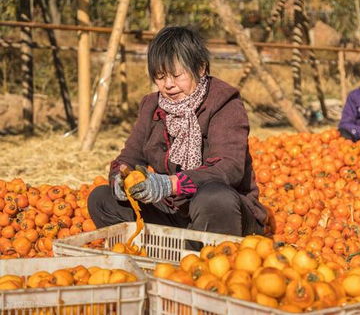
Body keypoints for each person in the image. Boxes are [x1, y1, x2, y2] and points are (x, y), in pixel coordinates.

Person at [87, 26, 266, 237]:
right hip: (173, 213)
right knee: (102, 199)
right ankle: (149, 256)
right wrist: (120, 177)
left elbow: (228, 168)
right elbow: (129, 156)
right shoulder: (152, 106)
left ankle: (208, 259)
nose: (168, 85)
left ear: (200, 68)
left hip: (223, 213)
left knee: (215, 198)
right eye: (161, 77)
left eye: (177, 75)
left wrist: (170, 184)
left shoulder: (224, 103)